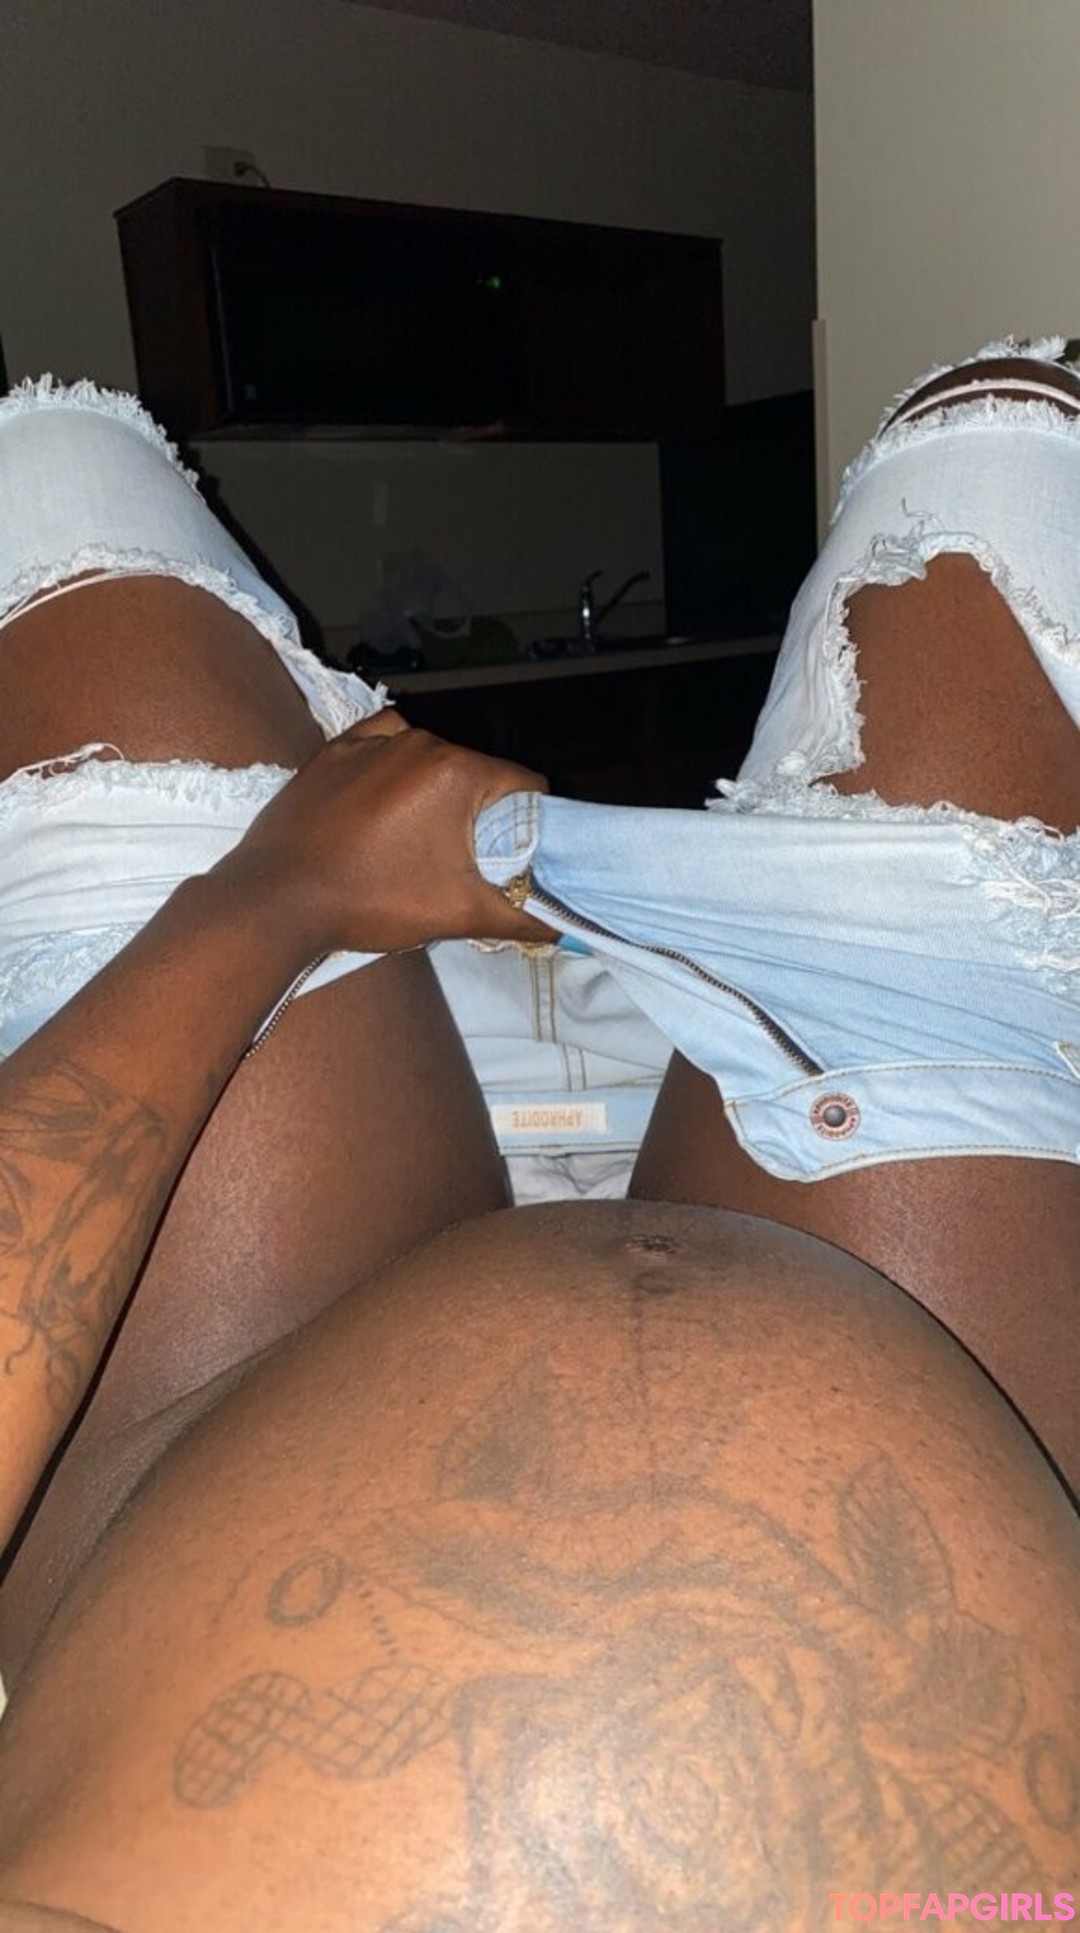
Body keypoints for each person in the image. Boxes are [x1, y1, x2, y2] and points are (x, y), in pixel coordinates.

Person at [0, 352, 1074, 1930]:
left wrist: (273, 897)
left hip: (189, 1427)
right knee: (1001, 445)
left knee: (50, 486)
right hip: (989, 1411)